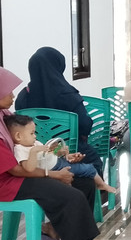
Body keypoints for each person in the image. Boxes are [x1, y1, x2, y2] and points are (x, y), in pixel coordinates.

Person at [0, 66, 99, 240]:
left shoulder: (5, 115)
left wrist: (60, 159)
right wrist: (53, 174)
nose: (13, 95)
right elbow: (15, 171)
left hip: (27, 168)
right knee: (73, 196)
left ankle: (52, 229)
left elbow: (29, 148)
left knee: (85, 183)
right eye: (8, 90)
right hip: (8, 183)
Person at [15, 47, 103, 175]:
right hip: (70, 149)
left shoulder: (23, 96)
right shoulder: (68, 95)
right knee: (95, 163)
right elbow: (84, 124)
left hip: (34, 153)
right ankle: (100, 192)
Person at [7, 114, 116, 194]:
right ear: (18, 136)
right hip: (54, 169)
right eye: (31, 133)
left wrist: (60, 151)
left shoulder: (34, 143)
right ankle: (102, 185)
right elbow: (28, 168)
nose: (35, 136)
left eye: (34, 132)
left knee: (81, 167)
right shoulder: (20, 150)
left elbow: (48, 153)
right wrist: (33, 152)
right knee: (88, 168)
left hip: (58, 163)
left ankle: (98, 184)